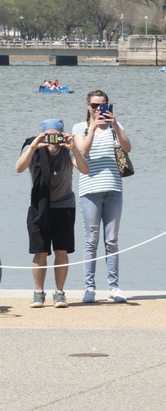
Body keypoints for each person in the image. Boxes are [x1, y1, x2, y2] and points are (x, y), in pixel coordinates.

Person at [16, 119, 89, 308]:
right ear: (42, 134)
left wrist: (73, 148)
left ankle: (59, 293)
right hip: (39, 206)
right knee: (40, 252)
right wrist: (34, 146)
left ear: (62, 134)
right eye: (48, 136)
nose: (52, 141)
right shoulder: (33, 148)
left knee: (61, 251)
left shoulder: (67, 150)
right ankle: (38, 293)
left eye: (55, 136)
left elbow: (85, 169)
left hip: (64, 206)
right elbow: (19, 168)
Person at [73, 90, 132, 304]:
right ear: (88, 106)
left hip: (114, 189)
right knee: (91, 241)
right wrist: (93, 127)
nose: (99, 109)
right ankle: (89, 288)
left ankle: (114, 287)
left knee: (112, 240)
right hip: (90, 190)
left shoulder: (116, 127)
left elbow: (127, 148)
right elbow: (82, 152)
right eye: (95, 105)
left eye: (103, 105)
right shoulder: (80, 128)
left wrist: (114, 125)